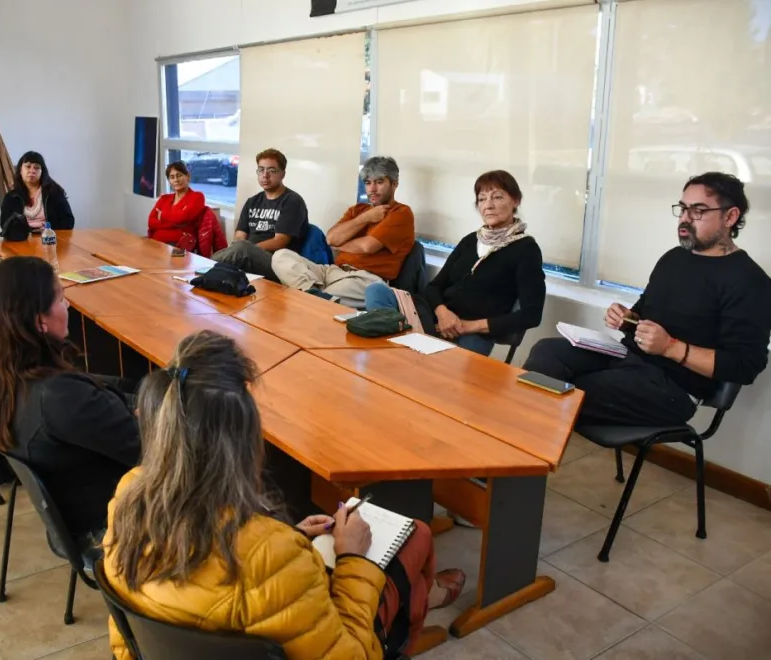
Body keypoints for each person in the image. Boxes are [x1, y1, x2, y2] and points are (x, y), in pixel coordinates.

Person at [102, 330, 465, 660]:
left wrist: (290, 536)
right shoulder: (270, 556)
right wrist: (354, 559)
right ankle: (423, 600)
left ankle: (424, 595)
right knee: (417, 535)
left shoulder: (127, 500)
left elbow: (127, 632)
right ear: (243, 442)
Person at [524, 172, 771, 427]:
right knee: (547, 353)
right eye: (683, 209)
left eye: (698, 211)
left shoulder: (749, 281)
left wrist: (670, 347)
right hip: (627, 357)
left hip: (673, 387)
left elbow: (744, 366)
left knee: (571, 391)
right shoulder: (674, 258)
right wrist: (625, 318)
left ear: (730, 217)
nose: (685, 219)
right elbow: (643, 313)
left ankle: (527, 442)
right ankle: (524, 442)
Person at [0, 256, 141, 540]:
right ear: (39, 321)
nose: (67, 306)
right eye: (60, 299)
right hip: (114, 523)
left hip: (75, 509)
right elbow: (150, 451)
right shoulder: (61, 396)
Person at [364, 170, 545, 356]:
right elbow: (434, 287)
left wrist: (467, 326)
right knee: (375, 291)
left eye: (497, 197)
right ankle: (403, 350)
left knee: (456, 366)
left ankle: (405, 348)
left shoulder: (526, 249)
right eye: (482, 199)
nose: (488, 205)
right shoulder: (470, 241)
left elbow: (531, 314)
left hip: (474, 333)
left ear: (515, 201)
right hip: (433, 318)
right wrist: (443, 313)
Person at [271, 156, 414, 306]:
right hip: (333, 271)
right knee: (281, 256)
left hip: (366, 280)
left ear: (394, 184)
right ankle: (313, 293)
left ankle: (316, 297)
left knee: (324, 295)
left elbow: (367, 246)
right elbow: (331, 239)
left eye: (379, 182)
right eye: (368, 183)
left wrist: (339, 244)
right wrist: (365, 217)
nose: (372, 189)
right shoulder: (358, 210)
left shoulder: (401, 213)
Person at [211, 148, 308, 281]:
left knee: (239, 250)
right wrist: (242, 251)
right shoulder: (252, 201)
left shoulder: (292, 201)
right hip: (248, 257)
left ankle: (204, 269)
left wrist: (248, 251)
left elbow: (280, 241)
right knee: (231, 259)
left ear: (282, 174)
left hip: (278, 264)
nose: (265, 175)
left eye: (271, 170)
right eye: (261, 170)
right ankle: (205, 271)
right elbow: (239, 235)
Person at [0, 151, 75, 232]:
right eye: (28, 166)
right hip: (23, 238)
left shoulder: (54, 192)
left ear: (42, 172)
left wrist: (49, 231)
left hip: (50, 236)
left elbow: (68, 221)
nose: (32, 171)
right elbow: (5, 224)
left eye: (36, 167)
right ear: (20, 170)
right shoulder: (11, 197)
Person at [147, 161, 206, 251]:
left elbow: (183, 217)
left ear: (188, 176)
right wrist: (175, 224)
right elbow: (151, 222)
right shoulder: (164, 199)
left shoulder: (197, 197)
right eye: (172, 177)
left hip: (179, 246)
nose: (176, 180)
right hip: (155, 242)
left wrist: (162, 216)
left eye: (179, 175)